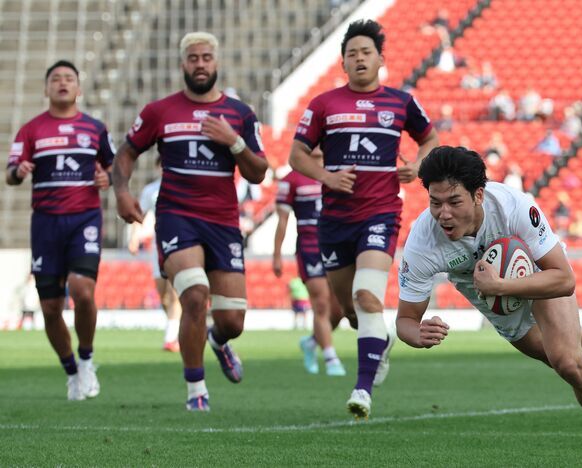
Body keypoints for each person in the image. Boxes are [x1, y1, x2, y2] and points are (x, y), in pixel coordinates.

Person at [397, 146, 582, 467]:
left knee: (567, 362)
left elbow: (563, 279)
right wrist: (416, 334)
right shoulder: (423, 243)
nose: (443, 213)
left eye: (454, 202)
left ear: (478, 195)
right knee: (553, 351)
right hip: (489, 296)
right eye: (435, 202)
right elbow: (405, 320)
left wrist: (501, 286)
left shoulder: (513, 207)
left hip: (538, 273)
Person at [289, 19, 439, 418]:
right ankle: (380, 341)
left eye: (366, 52)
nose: (359, 59)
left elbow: (430, 139)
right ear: (343, 63)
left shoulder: (401, 103)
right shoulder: (323, 105)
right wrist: (326, 177)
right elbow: (296, 154)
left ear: (380, 59)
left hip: (380, 214)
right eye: (352, 54)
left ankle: (363, 389)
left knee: (367, 295)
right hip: (334, 222)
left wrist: (418, 165)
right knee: (352, 311)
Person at [113, 32, 269, 411]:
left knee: (232, 321)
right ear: (183, 64)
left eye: (206, 57)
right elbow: (126, 154)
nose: (200, 64)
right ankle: (196, 388)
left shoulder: (240, 114)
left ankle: (218, 341)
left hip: (223, 223)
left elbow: (258, 172)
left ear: (216, 62)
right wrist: (121, 193)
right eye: (193, 58)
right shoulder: (160, 111)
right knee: (195, 295)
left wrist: (234, 141)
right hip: (177, 217)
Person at [6, 60, 114, 400]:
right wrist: (18, 171)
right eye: (56, 79)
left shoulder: (95, 129)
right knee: (50, 307)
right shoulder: (31, 130)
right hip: (46, 224)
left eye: (69, 78)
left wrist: (108, 177)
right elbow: (10, 173)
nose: (62, 83)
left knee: (83, 290)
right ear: (46, 88)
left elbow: (114, 167)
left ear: (78, 88)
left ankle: (87, 359)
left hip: (84, 220)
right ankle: (71, 371)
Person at [274, 157, 346, 376]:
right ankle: (331, 358)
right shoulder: (291, 179)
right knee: (321, 303)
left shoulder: (337, 172)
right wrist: (277, 254)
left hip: (336, 245)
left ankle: (312, 342)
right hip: (309, 247)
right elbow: (282, 220)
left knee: (339, 310)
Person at [127, 155, 182, 352]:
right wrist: (134, 237)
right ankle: (178, 328)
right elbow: (139, 215)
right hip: (159, 245)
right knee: (163, 296)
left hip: (180, 242)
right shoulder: (151, 190)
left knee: (175, 293)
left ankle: (171, 339)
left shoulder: (182, 188)